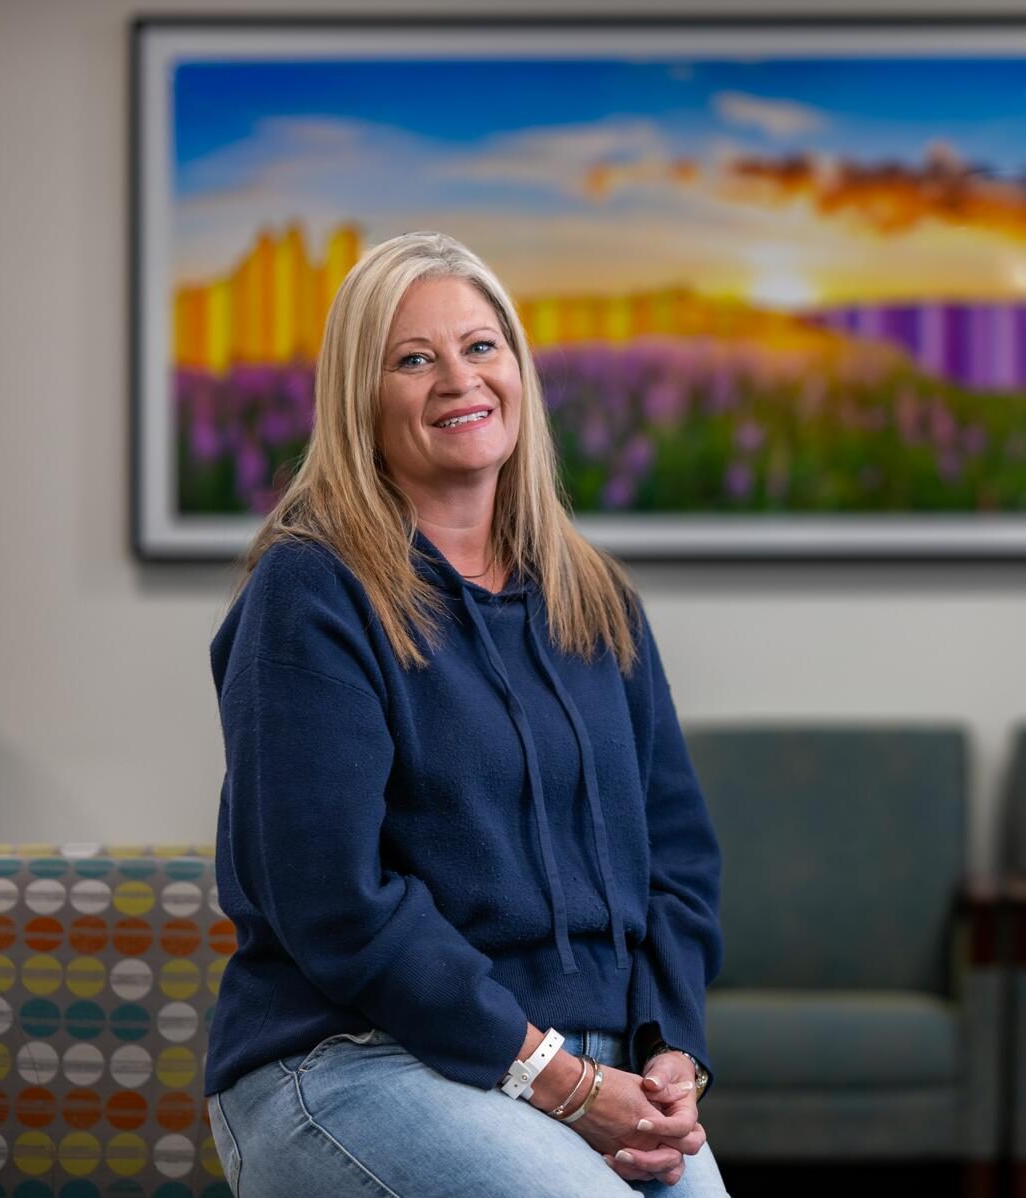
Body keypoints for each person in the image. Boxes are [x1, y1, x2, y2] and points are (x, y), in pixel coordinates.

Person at [201, 230, 728, 1196]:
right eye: (413, 359)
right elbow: (335, 902)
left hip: (598, 1069)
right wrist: (559, 1081)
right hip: (355, 1061)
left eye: (482, 346)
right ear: (360, 399)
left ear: (518, 370)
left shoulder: (596, 600)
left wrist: (671, 1053)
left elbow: (677, 863)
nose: (459, 379)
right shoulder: (311, 591)